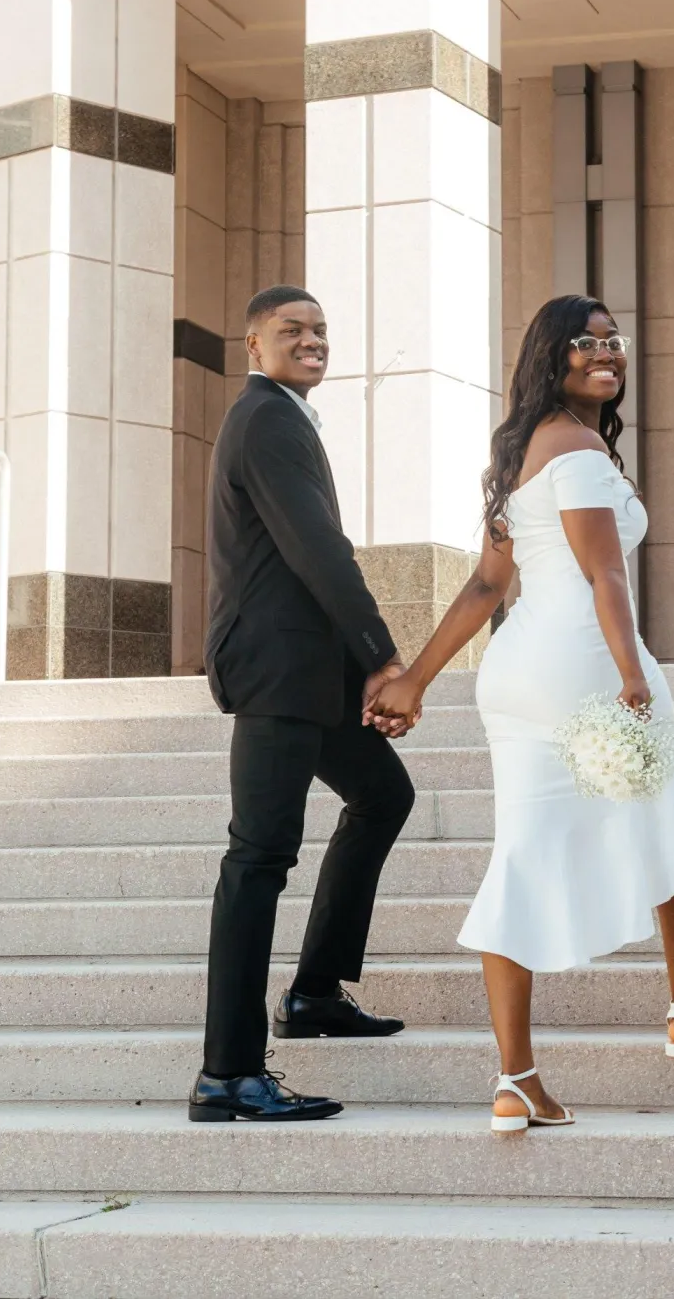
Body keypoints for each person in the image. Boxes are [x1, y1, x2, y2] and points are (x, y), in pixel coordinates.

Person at [366, 294, 674, 1131]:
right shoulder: (576, 452)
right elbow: (607, 577)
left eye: (615, 341)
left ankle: (517, 1077)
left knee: (526, 854)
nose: (607, 353)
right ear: (552, 355)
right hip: (585, 665)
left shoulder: (523, 453)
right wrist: (631, 677)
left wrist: (417, 681)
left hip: (516, 675)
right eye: (587, 341)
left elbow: (486, 586)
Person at [189, 284, 415, 1124]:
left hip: (307, 670)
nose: (312, 340)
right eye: (293, 330)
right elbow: (319, 548)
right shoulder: (268, 419)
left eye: (321, 328)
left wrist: (353, 665)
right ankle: (228, 1072)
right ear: (255, 344)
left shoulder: (285, 416)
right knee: (259, 857)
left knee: (385, 793)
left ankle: (315, 991)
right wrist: (383, 655)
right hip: (276, 669)